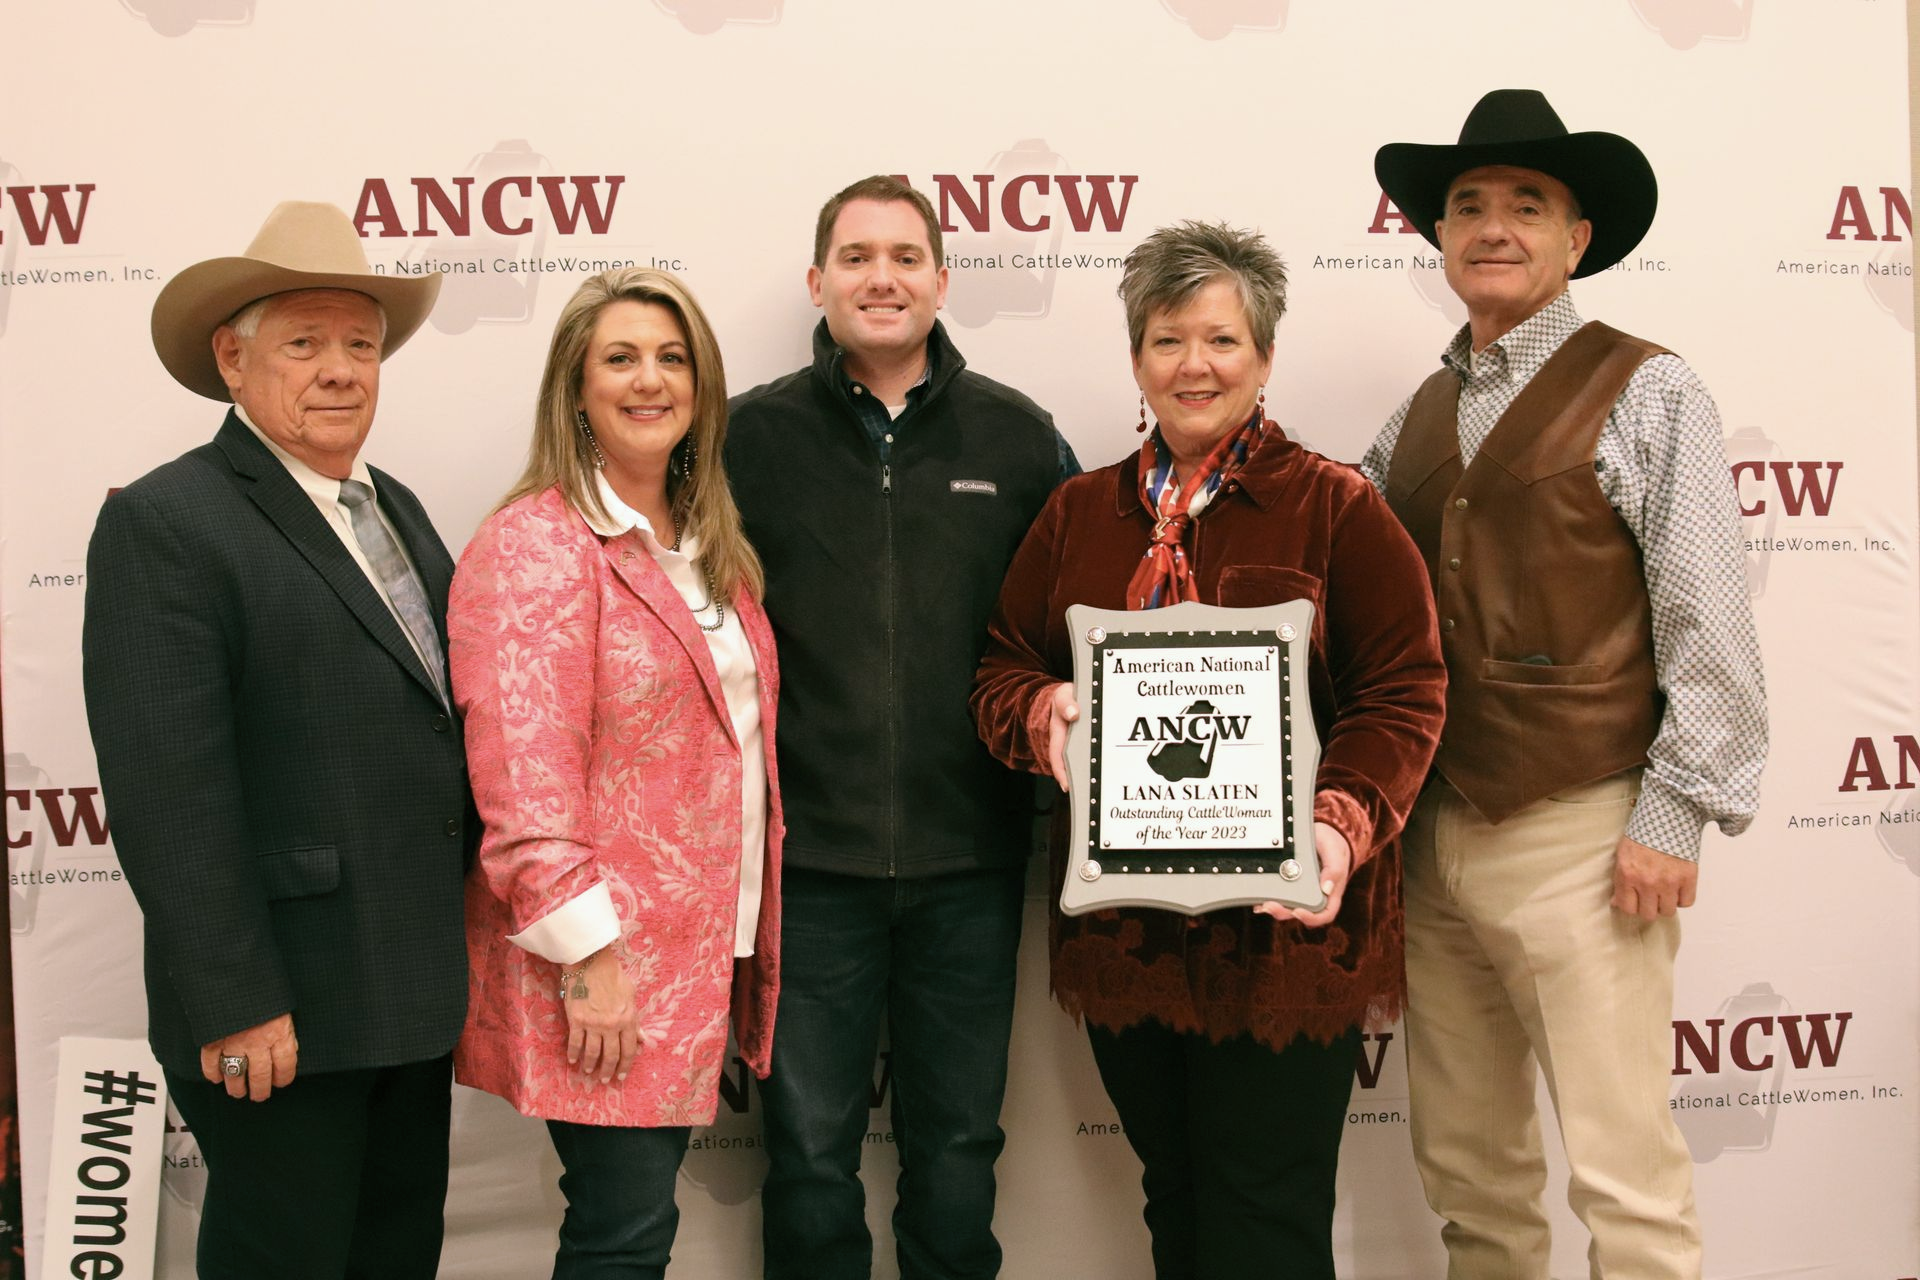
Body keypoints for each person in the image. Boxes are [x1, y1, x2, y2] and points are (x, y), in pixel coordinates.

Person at [971, 220, 1446, 1280]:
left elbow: (1404, 690)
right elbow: (1000, 668)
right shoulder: (1077, 513)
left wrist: (1340, 823)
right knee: (1176, 1196)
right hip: (1129, 937)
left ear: (1266, 355)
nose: (1196, 364)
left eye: (1223, 340)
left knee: (1264, 1217)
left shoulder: (1338, 507)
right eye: (1168, 339)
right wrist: (1043, 707)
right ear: (1136, 358)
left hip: (1287, 933)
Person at [1364, 89, 1767, 1278]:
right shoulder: (1418, 413)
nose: (1492, 226)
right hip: (1434, 834)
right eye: (1468, 205)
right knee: (1470, 1174)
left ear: (1576, 236)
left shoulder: (1651, 389)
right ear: (1439, 238)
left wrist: (1672, 811)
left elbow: (1709, 618)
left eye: (1525, 204)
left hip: (1587, 834)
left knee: (1626, 1180)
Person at [81, 201, 469, 1278]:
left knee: (394, 1259)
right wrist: (239, 998)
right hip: (281, 1011)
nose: (341, 369)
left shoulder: (394, 505)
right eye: (305, 342)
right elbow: (168, 791)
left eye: (360, 342)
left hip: (408, 989)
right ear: (233, 360)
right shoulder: (170, 521)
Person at [725, 175, 1078, 1280]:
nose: (883, 275)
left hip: (971, 865)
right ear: (818, 278)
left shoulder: (1020, 437)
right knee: (811, 1156)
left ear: (940, 276)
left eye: (906, 255)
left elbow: (1079, 633)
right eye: (858, 255)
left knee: (960, 1149)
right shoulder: (746, 438)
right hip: (807, 866)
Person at [448, 267, 782, 1280]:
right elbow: (524, 780)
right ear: (577, 388)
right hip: (604, 964)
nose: (650, 380)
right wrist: (589, 960)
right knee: (622, 1232)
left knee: (631, 1228)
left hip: (694, 954)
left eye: (672, 358)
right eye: (621, 358)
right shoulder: (539, 544)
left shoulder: (707, 544)